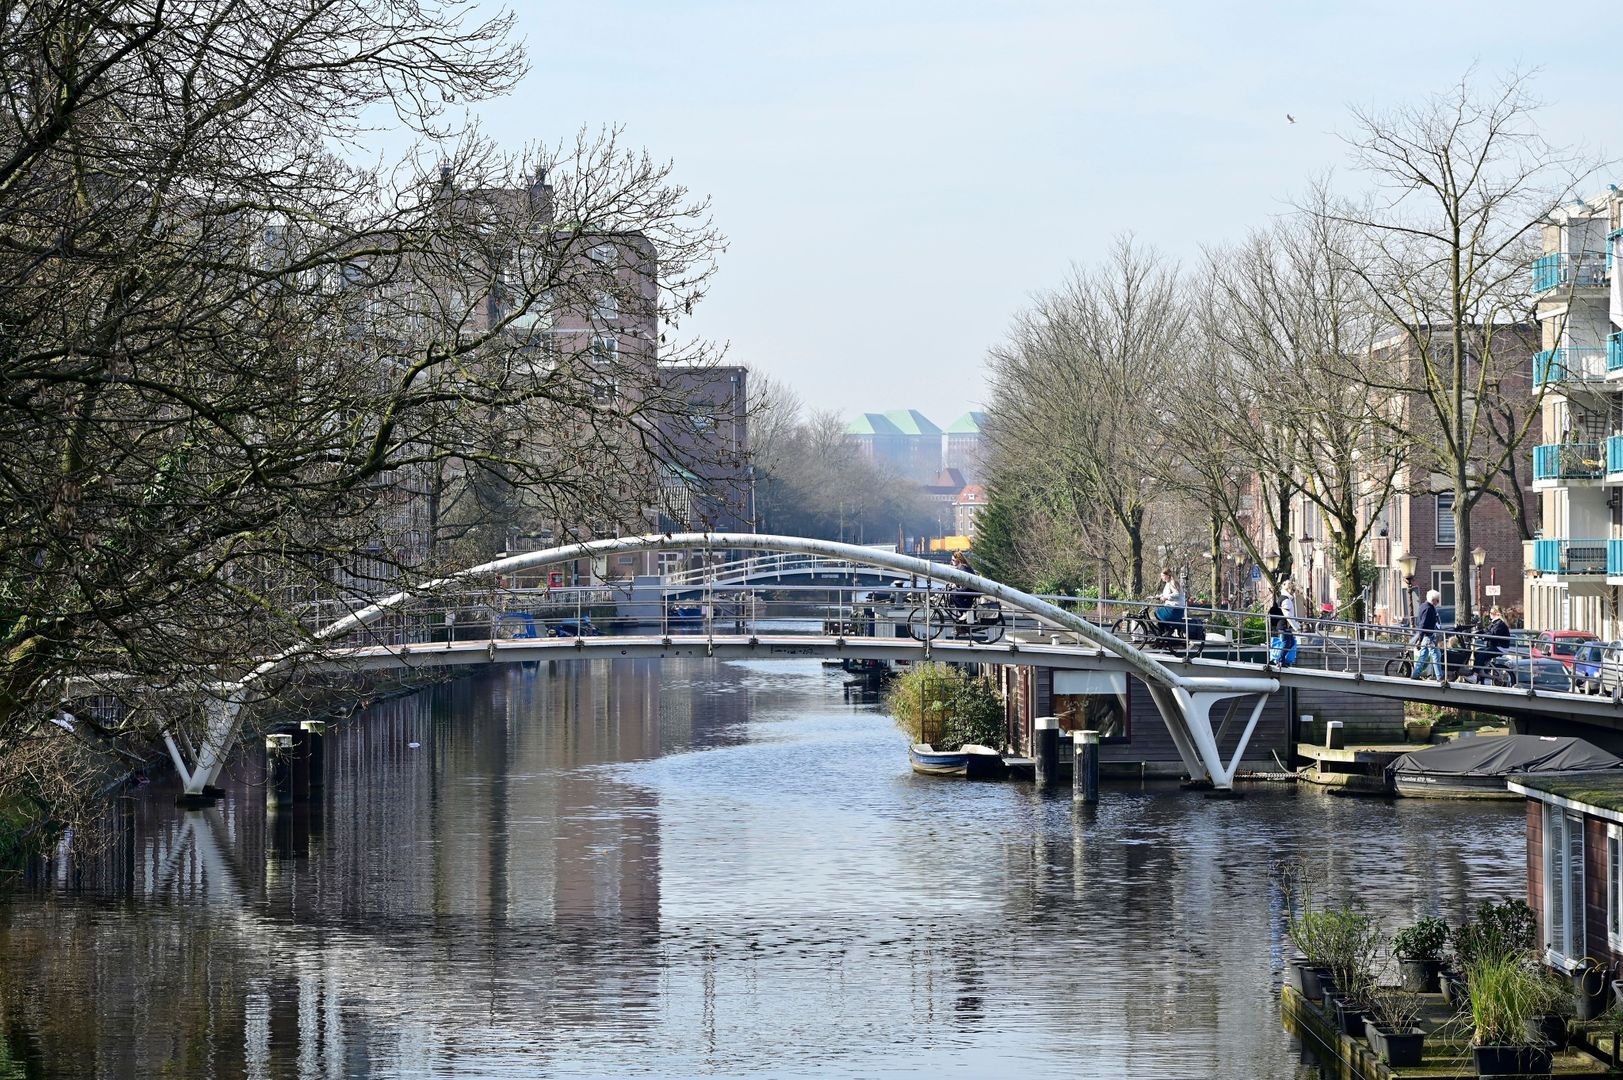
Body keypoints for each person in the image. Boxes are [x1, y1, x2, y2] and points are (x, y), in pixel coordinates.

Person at [1413, 588, 1444, 681]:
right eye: (1437, 600)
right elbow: (1423, 624)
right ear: (1433, 599)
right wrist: (1420, 638)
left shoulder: (1423, 606)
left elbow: (1421, 623)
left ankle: (1415, 674)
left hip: (1426, 635)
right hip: (1428, 636)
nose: (1438, 602)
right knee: (1436, 655)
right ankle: (1439, 676)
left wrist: (1420, 638)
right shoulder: (1429, 609)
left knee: (1423, 655)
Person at [1270, 582, 1298, 667]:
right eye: (1293, 590)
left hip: (1282, 625)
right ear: (1289, 590)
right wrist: (1296, 626)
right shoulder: (1286, 600)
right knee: (1287, 642)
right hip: (1283, 625)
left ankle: (1282, 660)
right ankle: (1280, 660)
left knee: (1291, 642)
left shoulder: (1282, 598)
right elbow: (1288, 615)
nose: (1294, 592)